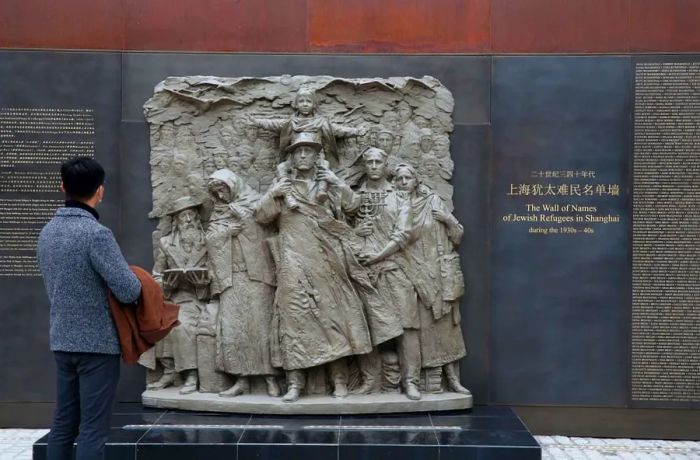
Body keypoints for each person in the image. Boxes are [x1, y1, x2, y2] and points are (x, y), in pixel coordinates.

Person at [255, 131, 375, 403]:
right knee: (294, 319)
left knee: (334, 318)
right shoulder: (283, 187)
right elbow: (262, 217)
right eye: (298, 151)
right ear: (292, 157)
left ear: (318, 155)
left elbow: (352, 205)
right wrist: (273, 194)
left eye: (309, 150)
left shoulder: (327, 184)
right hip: (293, 261)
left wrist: (335, 181)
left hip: (326, 260)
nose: (303, 155)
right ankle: (295, 383)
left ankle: (339, 381)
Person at [37, 156, 142, 460]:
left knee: (63, 425)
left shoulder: (47, 232)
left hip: (62, 340)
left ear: (62, 187)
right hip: (97, 346)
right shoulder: (96, 235)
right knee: (93, 429)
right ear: (100, 190)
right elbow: (129, 289)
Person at [392, 163, 470, 395]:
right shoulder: (393, 206)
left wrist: (447, 219)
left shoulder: (433, 202)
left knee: (446, 328)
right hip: (409, 274)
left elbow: (457, 237)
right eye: (399, 178)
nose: (404, 182)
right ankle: (411, 381)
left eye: (408, 177)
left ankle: (452, 378)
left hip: (438, 274)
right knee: (412, 331)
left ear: (416, 180)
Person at [204, 169, 280, 398]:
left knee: (261, 327)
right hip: (232, 278)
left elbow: (265, 224)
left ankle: (271, 379)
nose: (221, 195)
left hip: (258, 275)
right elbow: (210, 239)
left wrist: (241, 217)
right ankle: (241, 379)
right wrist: (227, 232)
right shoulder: (218, 212)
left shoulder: (254, 202)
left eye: (223, 189)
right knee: (234, 329)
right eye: (217, 191)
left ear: (233, 185)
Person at [148, 196, 209, 394]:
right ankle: (169, 370)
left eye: (192, 216)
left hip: (198, 299)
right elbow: (156, 274)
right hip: (173, 297)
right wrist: (165, 285)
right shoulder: (166, 244)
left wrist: (203, 284)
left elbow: (218, 272)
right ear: (176, 221)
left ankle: (191, 374)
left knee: (182, 324)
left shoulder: (208, 241)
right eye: (184, 216)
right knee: (154, 318)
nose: (189, 220)